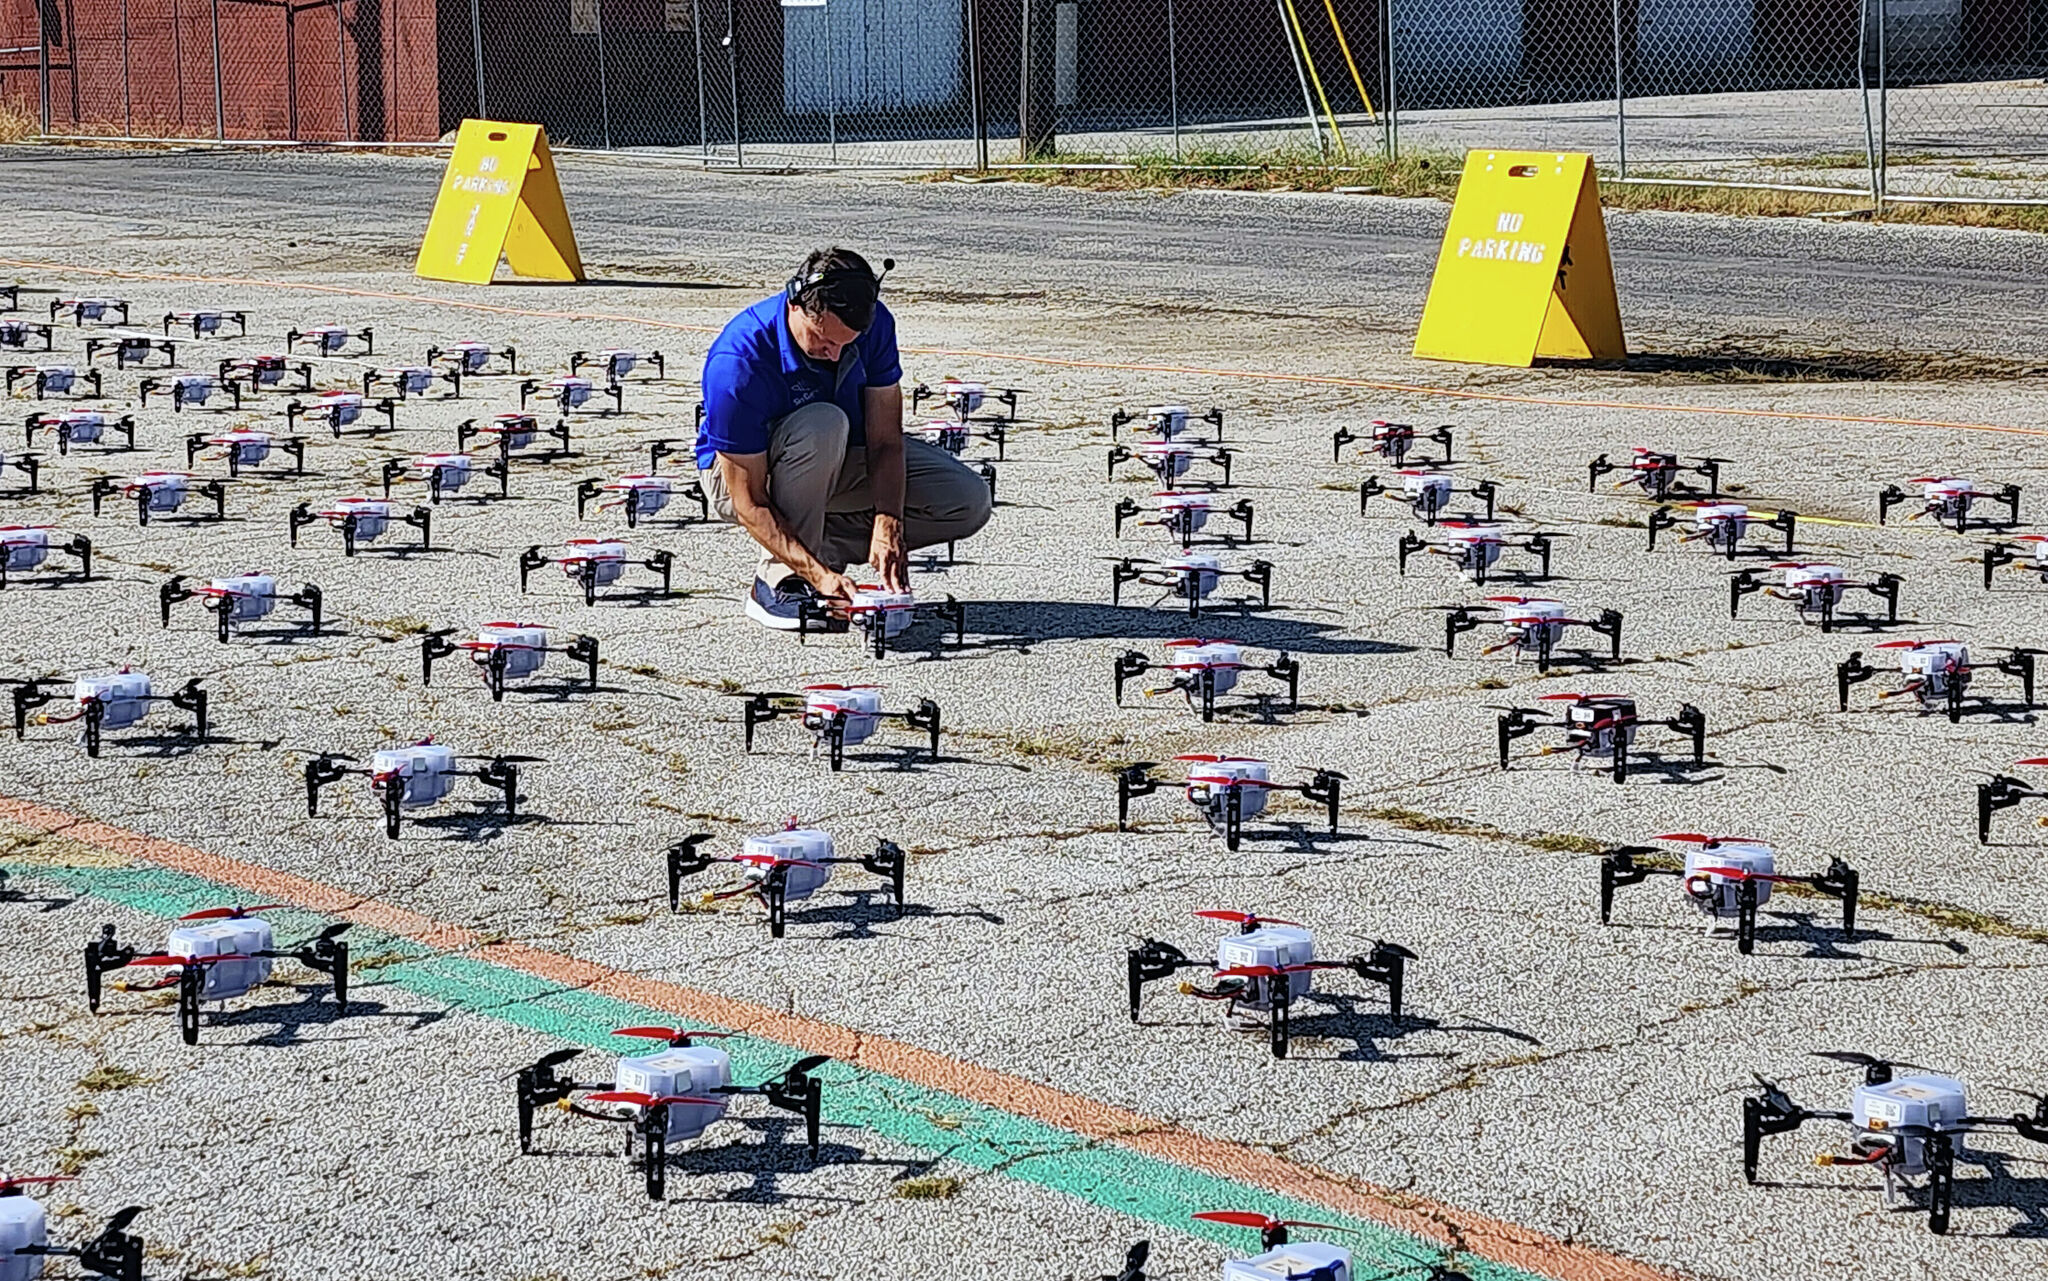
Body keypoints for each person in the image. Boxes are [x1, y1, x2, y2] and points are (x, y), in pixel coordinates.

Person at [697, 247, 994, 629]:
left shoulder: (874, 326)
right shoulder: (738, 361)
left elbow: (886, 441)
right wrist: (817, 578)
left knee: (967, 500)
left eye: (847, 344)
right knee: (825, 424)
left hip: (833, 461)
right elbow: (749, 500)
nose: (835, 356)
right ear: (796, 306)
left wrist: (888, 522)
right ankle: (780, 581)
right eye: (824, 340)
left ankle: (818, 552)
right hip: (741, 479)